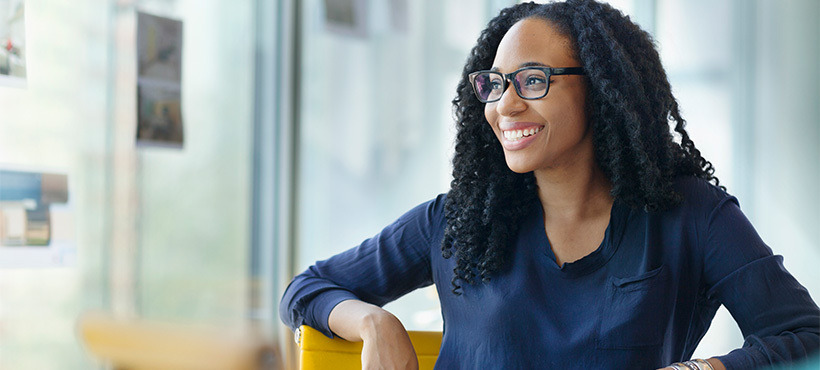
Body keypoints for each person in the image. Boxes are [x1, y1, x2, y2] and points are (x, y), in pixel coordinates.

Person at [279, 0, 820, 369]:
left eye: (533, 81)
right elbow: (306, 290)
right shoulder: (459, 220)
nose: (505, 104)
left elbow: (806, 336)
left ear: (604, 92)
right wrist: (374, 321)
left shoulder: (691, 216)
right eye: (494, 85)